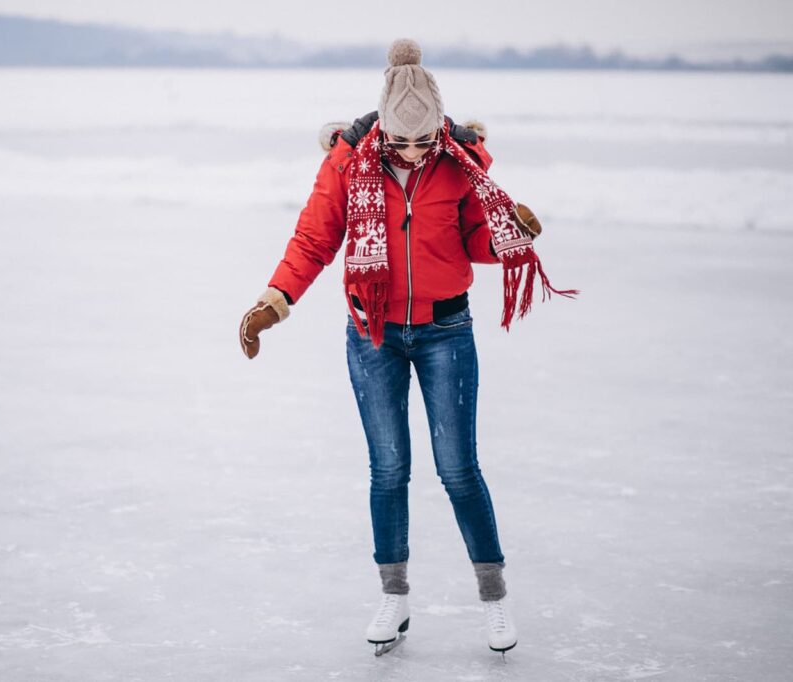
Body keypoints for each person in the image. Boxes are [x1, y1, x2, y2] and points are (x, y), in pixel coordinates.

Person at [239, 38, 574, 657]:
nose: (414, 152)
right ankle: (394, 596)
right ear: (384, 129)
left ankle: (495, 600)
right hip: (372, 334)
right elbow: (314, 240)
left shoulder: (461, 164)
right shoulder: (347, 165)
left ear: (440, 131)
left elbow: (472, 240)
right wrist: (274, 301)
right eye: (403, 142)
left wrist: (510, 235)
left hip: (447, 331)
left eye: (425, 142)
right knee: (388, 470)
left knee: (458, 470)